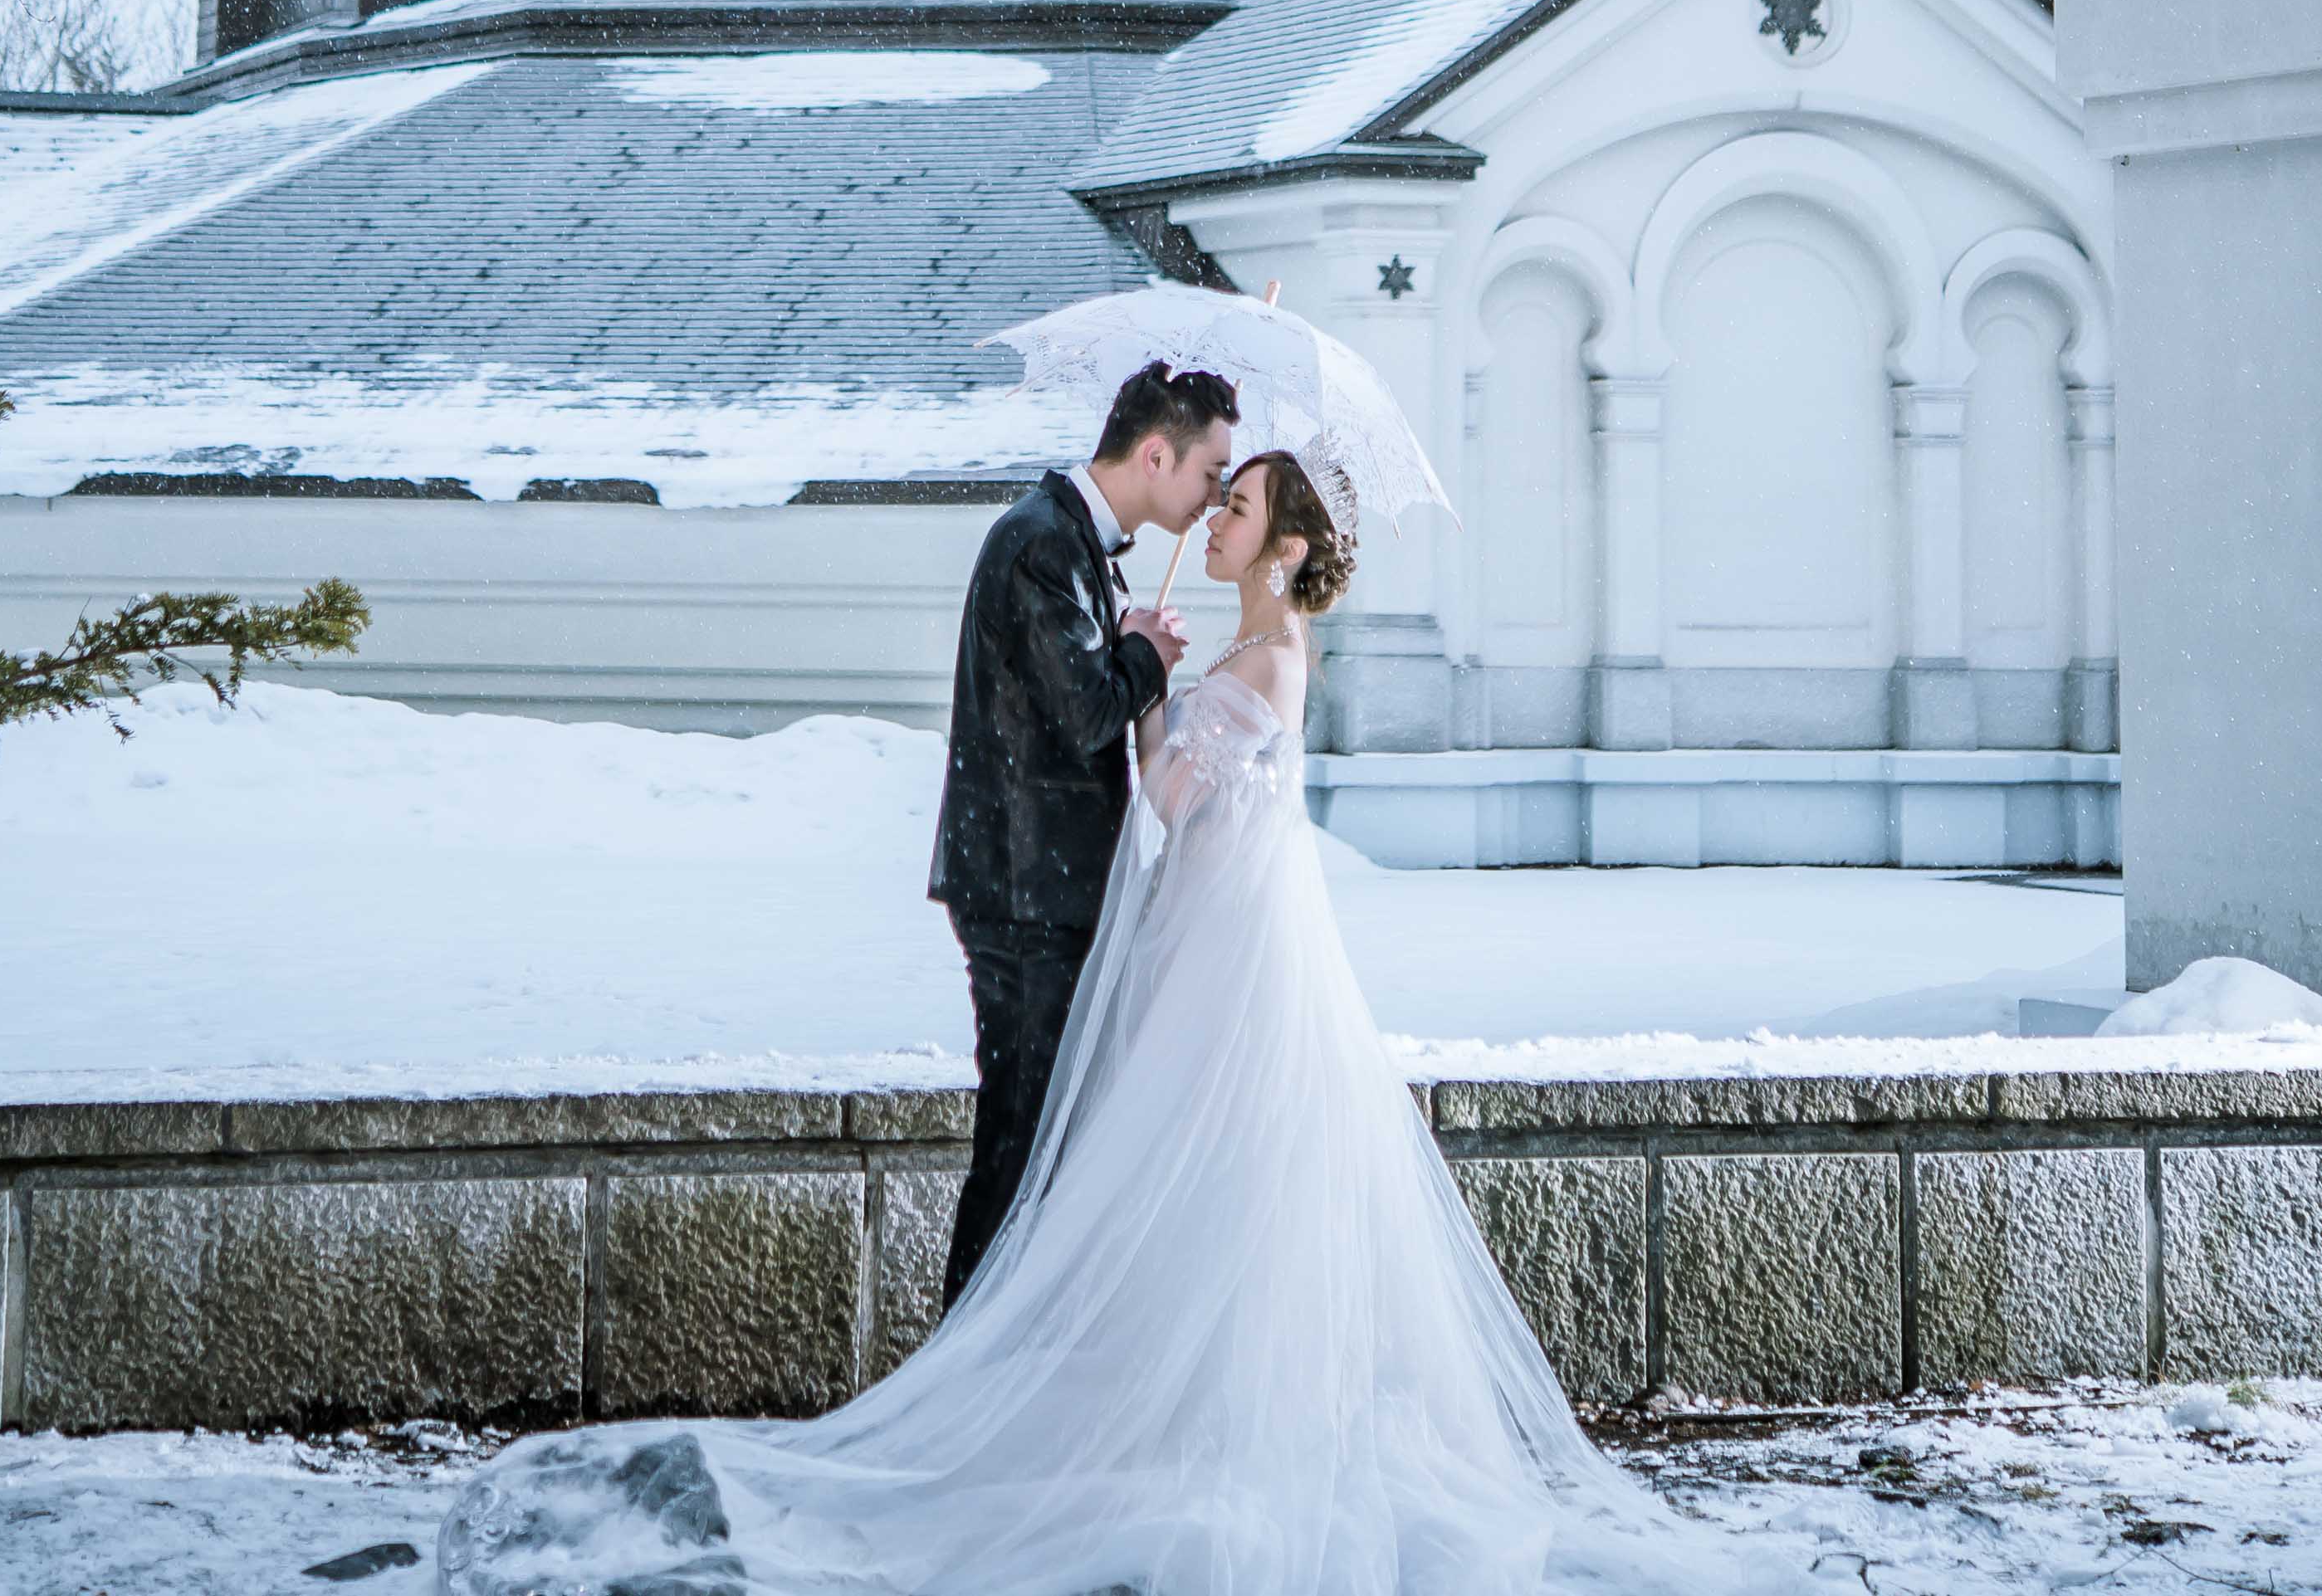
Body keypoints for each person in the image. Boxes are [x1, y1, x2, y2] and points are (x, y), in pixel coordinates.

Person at [440, 443, 1809, 1596]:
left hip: (1221, 957)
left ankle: (1155, 1428)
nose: (1213, 517)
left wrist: (1141, 677)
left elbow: (1162, 805)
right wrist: (1155, 670)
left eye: (1236, 507)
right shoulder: (1256, 650)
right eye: (1215, 494)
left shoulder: (1260, 666)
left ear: (1281, 546)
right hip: (1217, 941)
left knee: (1182, 1179)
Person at [926, 358, 1237, 1303]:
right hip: (1026, 895)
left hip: (1047, 888)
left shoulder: (1069, 546)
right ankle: (969, 1361)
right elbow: (1088, 714)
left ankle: (998, 1354)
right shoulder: (1040, 545)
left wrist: (1127, 639)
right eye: (1209, 472)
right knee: (1020, 1141)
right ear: (1155, 454)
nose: (1214, 496)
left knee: (1043, 1139)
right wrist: (1144, 654)